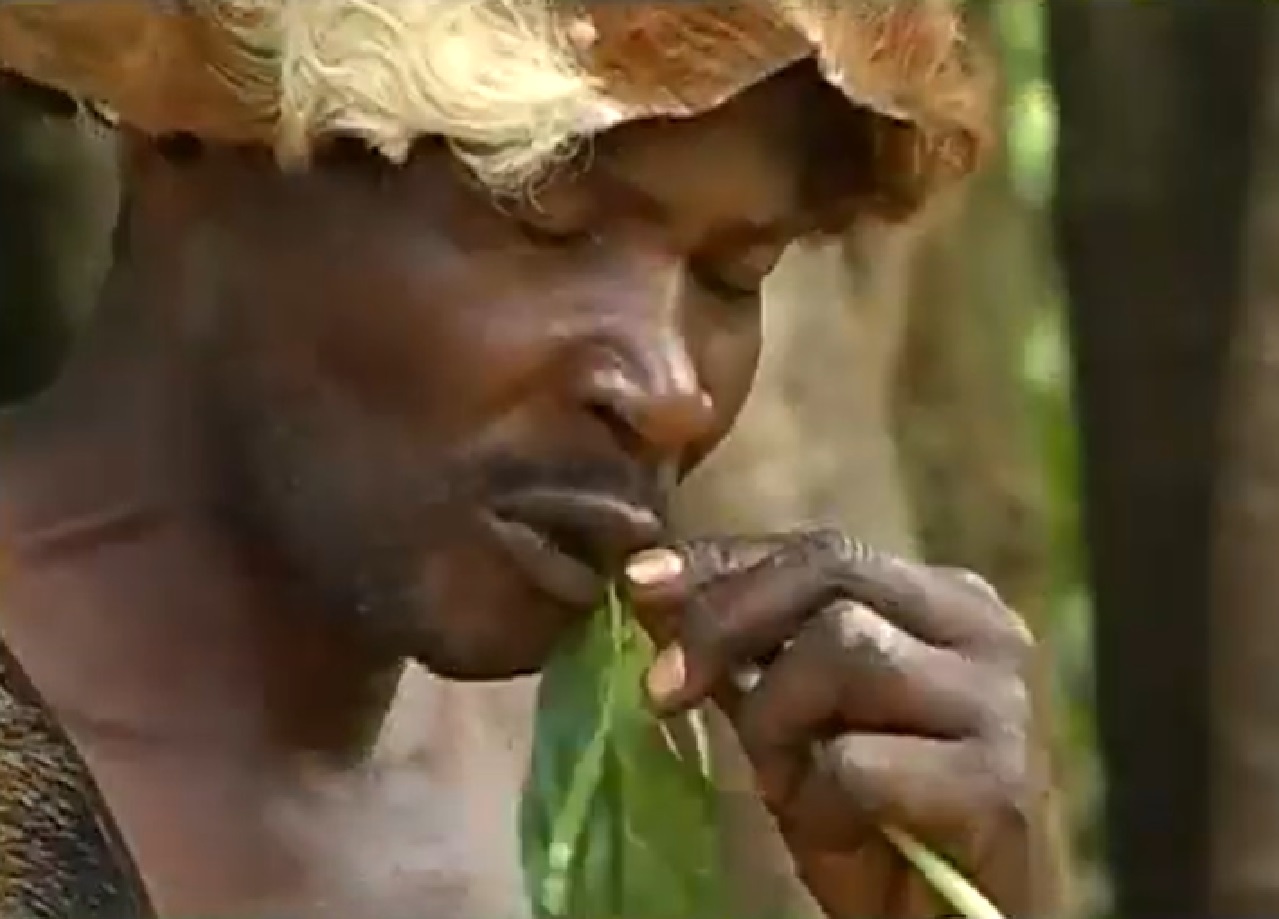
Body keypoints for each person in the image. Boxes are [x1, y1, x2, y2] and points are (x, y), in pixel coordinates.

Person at [0, 1, 1043, 917]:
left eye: (734, 274)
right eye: (541, 212)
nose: (672, 390)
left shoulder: (632, 776)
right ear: (187, 127)